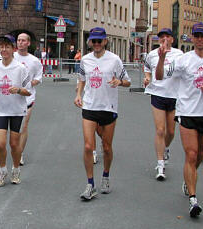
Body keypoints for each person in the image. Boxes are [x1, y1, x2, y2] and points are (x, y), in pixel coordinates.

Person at [155, 22, 203, 217]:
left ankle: (188, 179)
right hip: (187, 112)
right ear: (192, 37)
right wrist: (162, 59)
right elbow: (160, 75)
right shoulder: (183, 60)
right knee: (191, 154)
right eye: (196, 35)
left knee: (198, 155)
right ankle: (193, 199)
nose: (199, 39)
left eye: (202, 35)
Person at [74, 27, 131, 200]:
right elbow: (82, 79)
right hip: (90, 106)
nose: (96, 44)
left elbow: (128, 81)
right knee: (88, 146)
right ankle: (90, 184)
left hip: (108, 107)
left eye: (100, 41)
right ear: (90, 42)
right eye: (94, 41)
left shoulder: (114, 60)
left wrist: (119, 81)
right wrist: (78, 94)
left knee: (106, 147)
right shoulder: (85, 60)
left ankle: (105, 175)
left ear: (105, 41)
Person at [0, 35, 31, 187]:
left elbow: (29, 91)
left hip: (17, 111)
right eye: (1, 46)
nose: (4, 49)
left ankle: (15, 169)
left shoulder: (20, 68)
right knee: (0, 144)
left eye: (7, 46)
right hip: (0, 110)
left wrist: (19, 90)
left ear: (13, 49)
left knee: (14, 144)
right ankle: (2, 170)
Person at [143, 28, 183, 181]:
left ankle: (165, 148)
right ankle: (160, 164)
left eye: (167, 36)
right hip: (158, 93)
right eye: (161, 37)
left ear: (172, 39)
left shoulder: (179, 55)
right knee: (160, 130)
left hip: (174, 95)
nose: (164, 39)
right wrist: (147, 78)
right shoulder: (152, 55)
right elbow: (147, 69)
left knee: (171, 132)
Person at [14, 33, 43, 165]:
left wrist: (32, 83)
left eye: (23, 40)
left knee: (23, 127)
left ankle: (19, 153)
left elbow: (38, 77)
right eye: (18, 40)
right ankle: (15, 148)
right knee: (13, 129)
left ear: (28, 43)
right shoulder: (11, 57)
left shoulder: (34, 61)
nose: (20, 42)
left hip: (28, 98)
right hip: (11, 98)